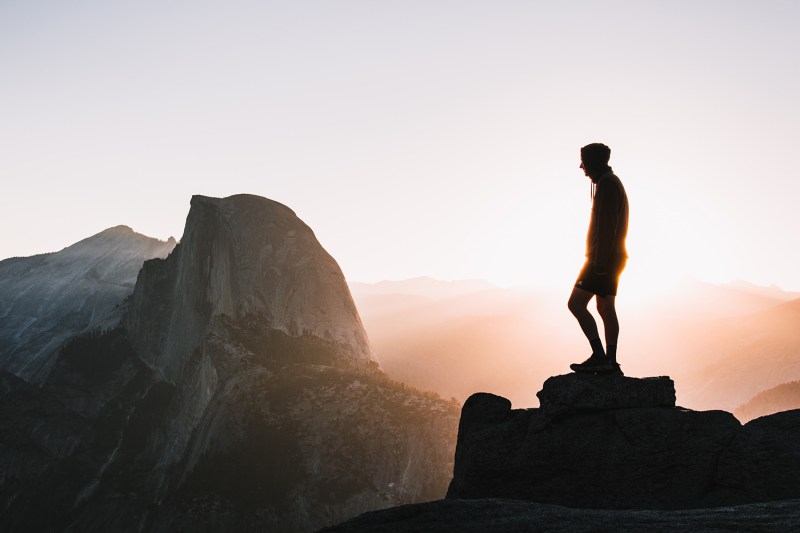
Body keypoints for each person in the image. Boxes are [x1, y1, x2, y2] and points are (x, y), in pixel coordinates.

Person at [568, 143, 629, 375]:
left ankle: (600, 356)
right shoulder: (610, 182)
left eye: (584, 161)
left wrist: (599, 263)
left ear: (593, 162)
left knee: (575, 304)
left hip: (602, 259)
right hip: (614, 257)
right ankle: (610, 362)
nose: (581, 166)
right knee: (605, 307)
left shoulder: (607, 185)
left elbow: (607, 227)